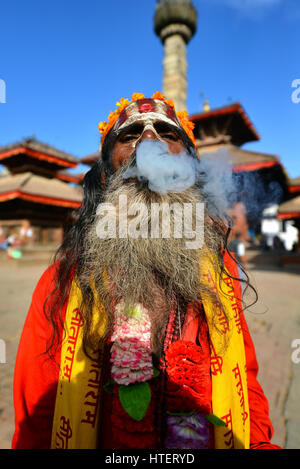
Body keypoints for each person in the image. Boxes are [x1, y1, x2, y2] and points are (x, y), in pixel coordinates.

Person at [12, 92, 280, 450]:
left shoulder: (220, 269)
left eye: (168, 135)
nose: (148, 142)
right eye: (130, 134)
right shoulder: (63, 281)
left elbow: (245, 381)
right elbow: (37, 410)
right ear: (106, 175)